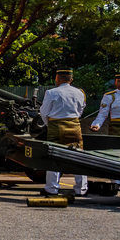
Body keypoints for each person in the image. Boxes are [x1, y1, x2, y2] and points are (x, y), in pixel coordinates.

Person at [38, 68, 88, 197]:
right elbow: (81, 110)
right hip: (75, 125)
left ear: (57, 79)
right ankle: (81, 189)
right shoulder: (80, 93)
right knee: (79, 156)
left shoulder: (51, 93)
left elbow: (43, 112)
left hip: (56, 126)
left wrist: (50, 124)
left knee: (53, 158)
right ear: (71, 79)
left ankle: (52, 188)